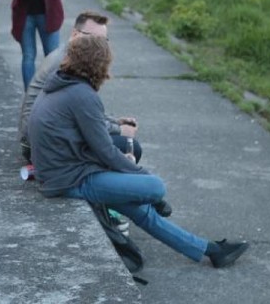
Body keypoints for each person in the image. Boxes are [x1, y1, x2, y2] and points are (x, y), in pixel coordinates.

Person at [28, 36, 250, 269]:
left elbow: (91, 139)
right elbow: (105, 151)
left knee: (142, 210)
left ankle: (211, 251)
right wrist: (139, 174)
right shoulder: (82, 95)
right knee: (155, 187)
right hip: (70, 180)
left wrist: (127, 170)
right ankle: (161, 206)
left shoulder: (62, 83)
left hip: (63, 173)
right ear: (100, 65)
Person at [18, 11, 142, 165]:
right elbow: (78, 117)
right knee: (129, 147)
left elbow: (81, 111)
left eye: (104, 40)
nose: (99, 46)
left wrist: (115, 121)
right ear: (75, 33)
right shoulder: (66, 64)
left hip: (46, 137)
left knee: (119, 145)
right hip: (39, 145)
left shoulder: (68, 55)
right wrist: (119, 130)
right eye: (93, 38)